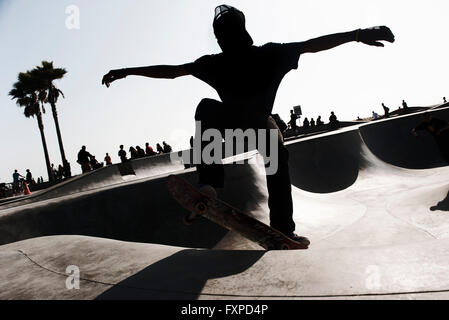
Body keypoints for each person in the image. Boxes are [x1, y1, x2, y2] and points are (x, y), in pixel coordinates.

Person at [102, 4, 395, 244]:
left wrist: (127, 71)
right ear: (244, 31)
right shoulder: (270, 53)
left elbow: (171, 72)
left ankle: (209, 183)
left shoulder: (215, 63)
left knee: (208, 109)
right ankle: (281, 226)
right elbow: (312, 45)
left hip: (231, 129)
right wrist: (357, 34)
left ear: (220, 39)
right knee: (274, 148)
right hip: (260, 128)